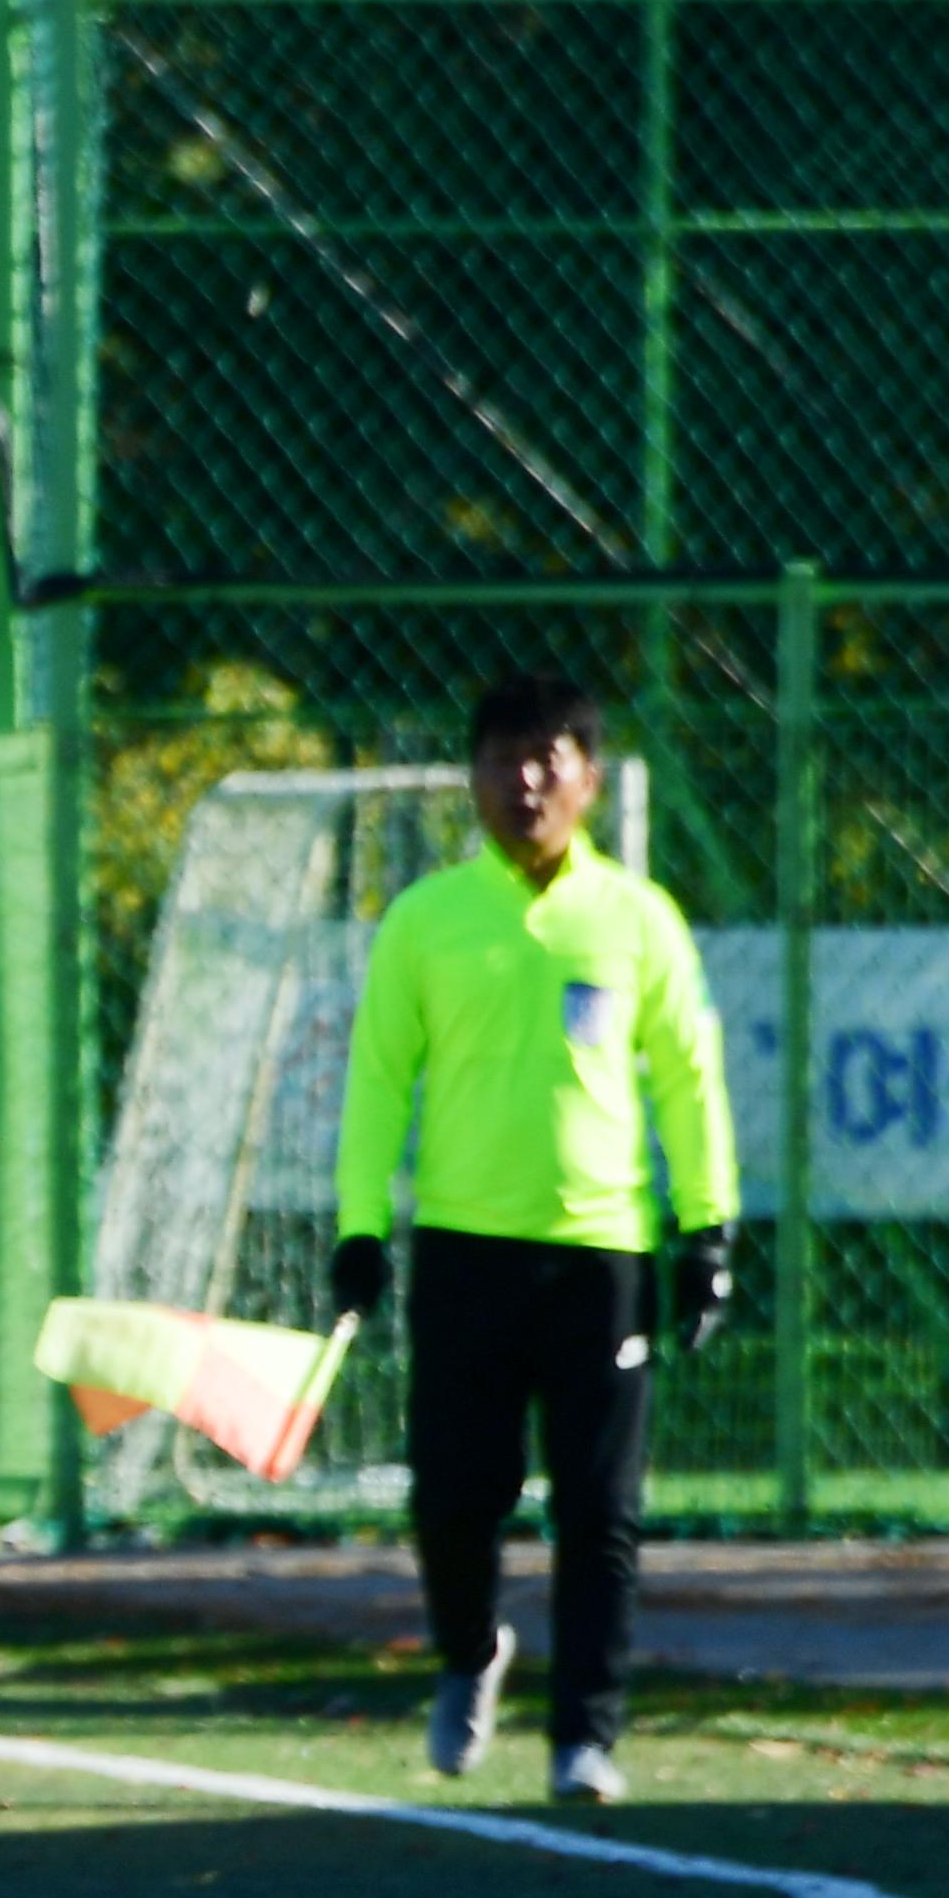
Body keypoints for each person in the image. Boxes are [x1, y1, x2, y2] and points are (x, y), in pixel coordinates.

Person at [328, 670, 738, 1805]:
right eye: (506, 758)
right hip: (464, 1251)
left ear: (590, 781)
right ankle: (469, 1653)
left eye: (551, 760)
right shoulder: (426, 921)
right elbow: (375, 1084)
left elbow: (688, 1080)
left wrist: (706, 1228)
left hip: (602, 1259)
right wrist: (361, 1229)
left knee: (601, 1513)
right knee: (456, 1499)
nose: (526, 782)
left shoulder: (637, 920)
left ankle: (584, 1740)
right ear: (471, 776)